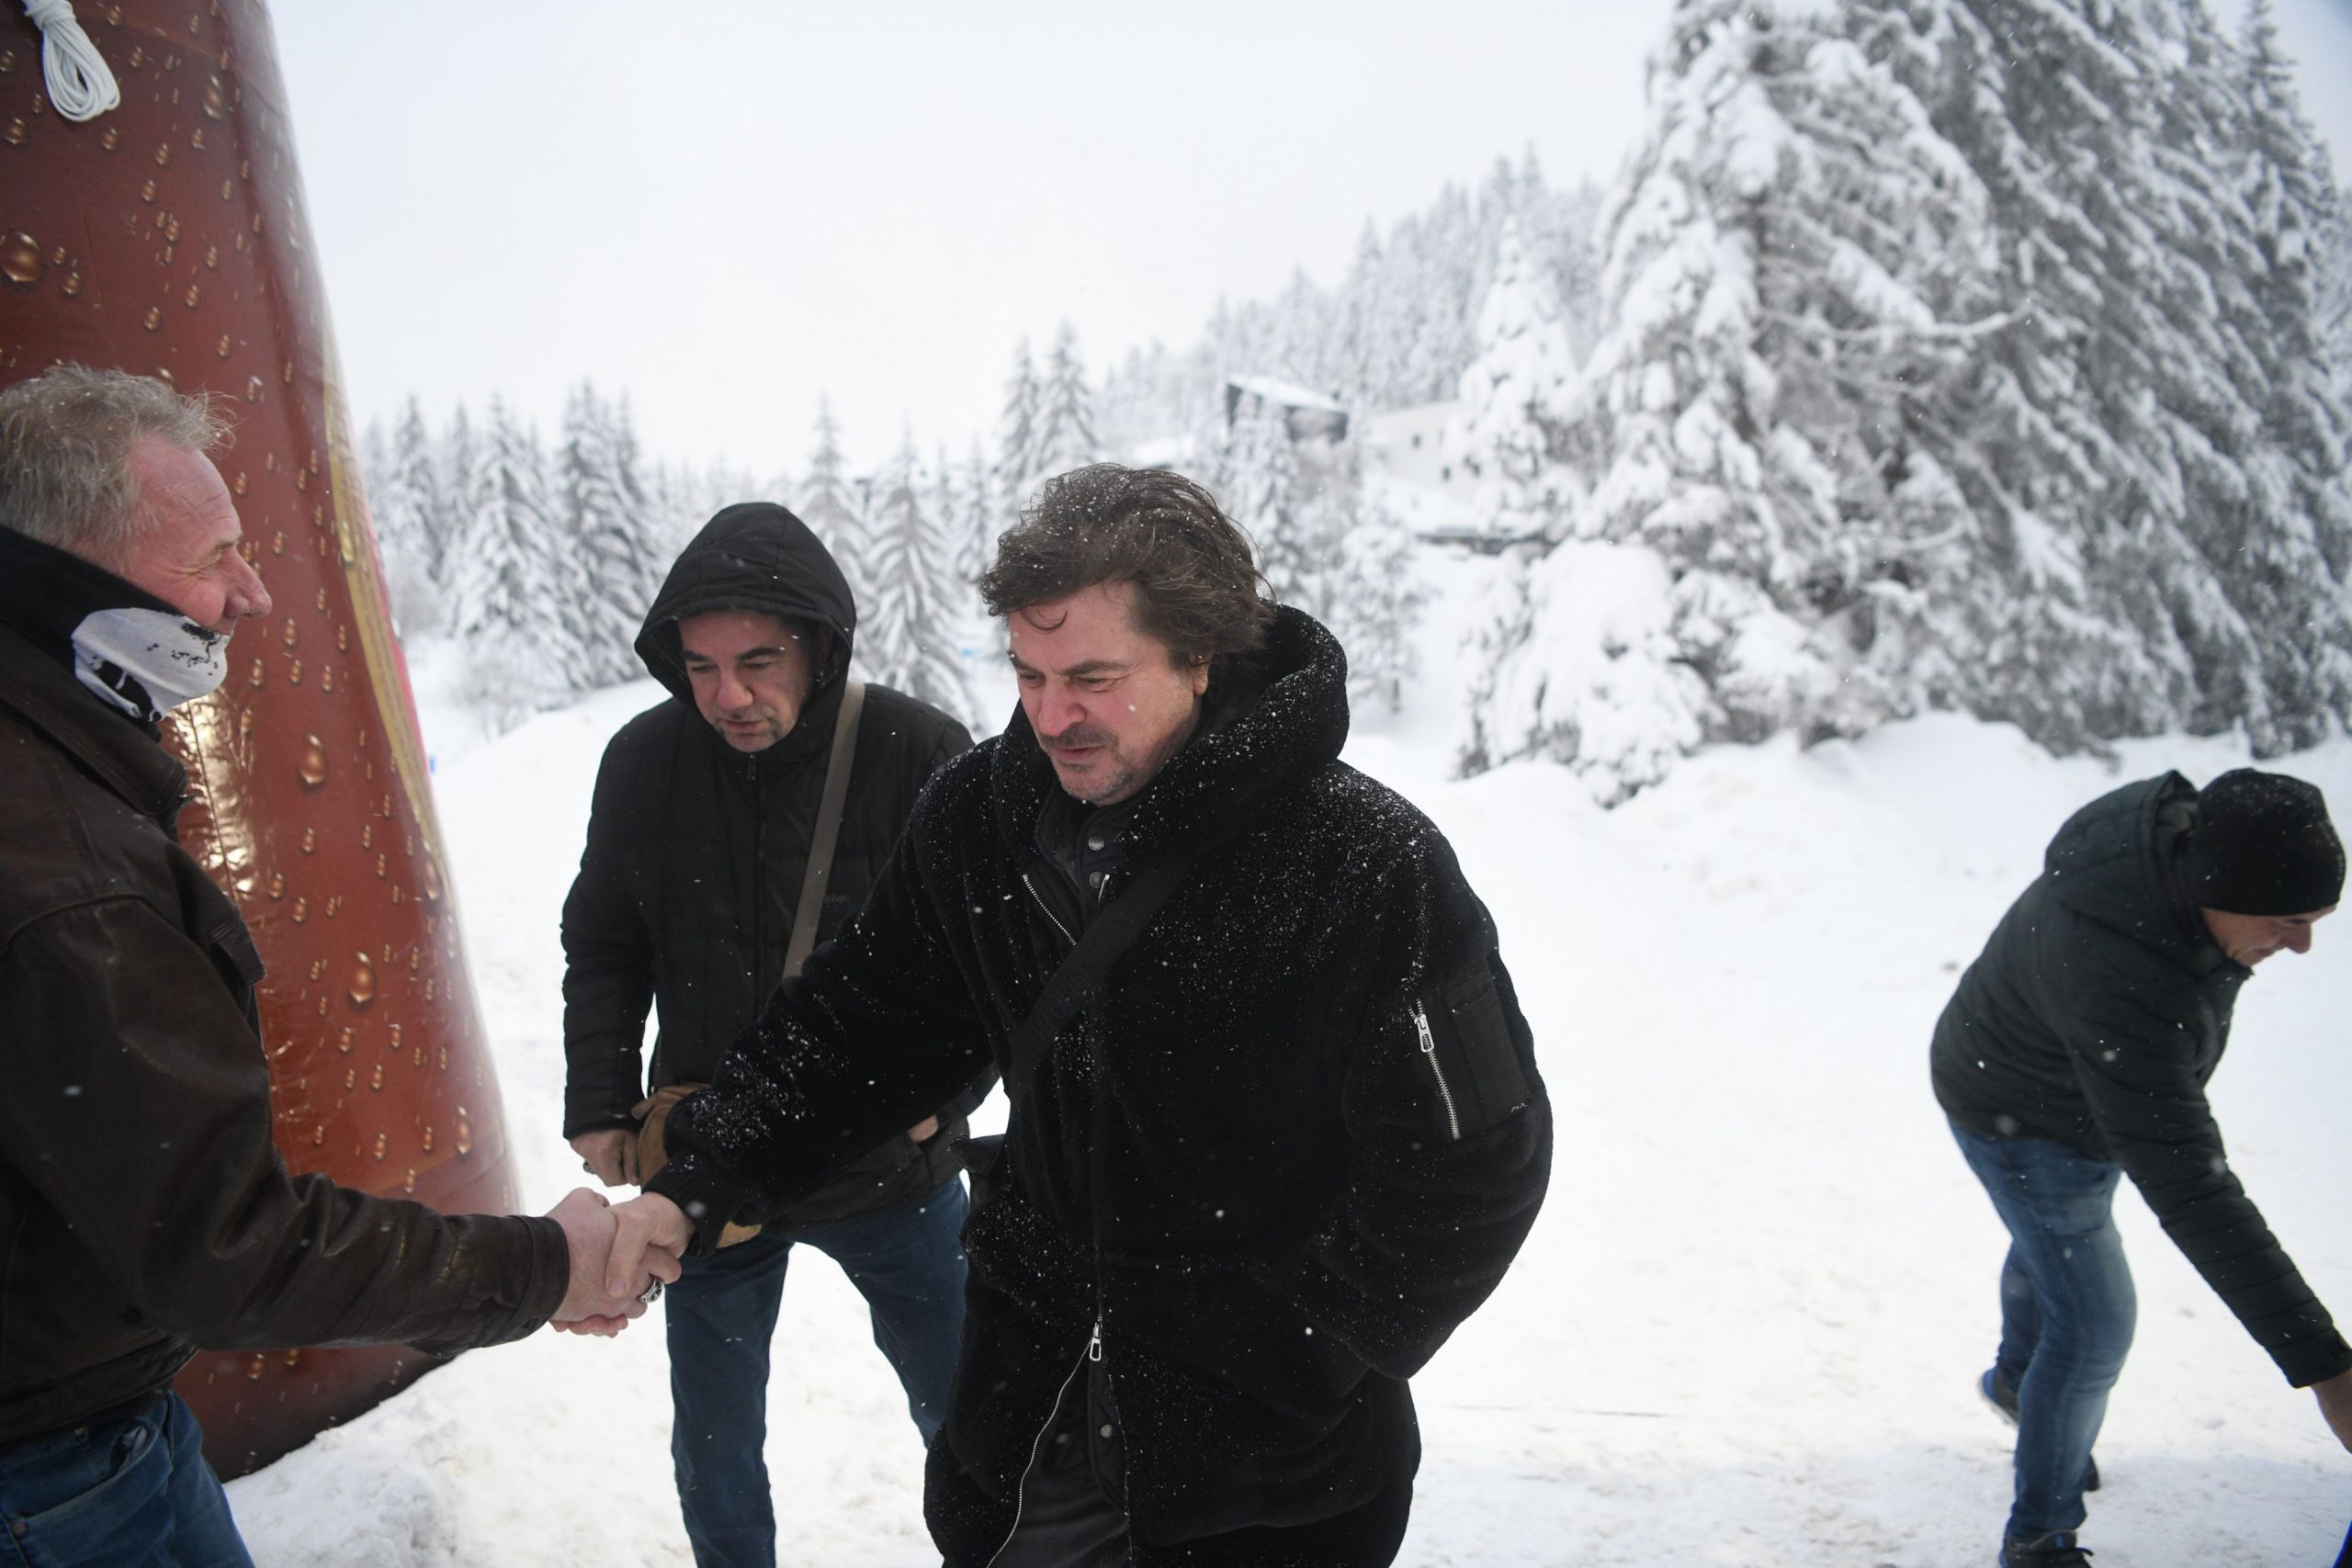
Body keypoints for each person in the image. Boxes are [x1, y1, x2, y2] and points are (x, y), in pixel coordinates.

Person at [604, 463, 1553, 1567]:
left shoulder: (1358, 862)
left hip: (1273, 1482)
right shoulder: (981, 818)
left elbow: (1476, 1156)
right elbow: (863, 1023)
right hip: (1030, 1436)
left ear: (1198, 656)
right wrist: (700, 1180)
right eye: (1029, 674)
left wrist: (1311, 1347)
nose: (1052, 716)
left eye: (1093, 677)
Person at [0, 365, 671, 1565]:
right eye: (214, 557)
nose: (251, 594)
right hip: (53, 1474)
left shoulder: (57, 779)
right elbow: (231, 1246)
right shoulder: (64, 871)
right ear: (74, 578)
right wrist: (546, 1264)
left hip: (89, 1417)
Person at [560, 501, 987, 1567]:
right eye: (700, 668)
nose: (729, 696)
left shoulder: (917, 749)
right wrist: (601, 1097)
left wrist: (953, 1096)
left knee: (977, 1413)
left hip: (891, 1163)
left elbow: (988, 955)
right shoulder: (643, 762)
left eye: (758, 660)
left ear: (821, 646)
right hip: (706, 1166)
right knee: (715, 1447)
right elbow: (605, 941)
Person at [1932, 767, 2352, 1566]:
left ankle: (2022, 1382)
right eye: (2288, 919)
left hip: (2052, 1082)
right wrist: (2328, 1369)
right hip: (2023, 1111)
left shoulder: (2169, 851)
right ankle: (2041, 1538)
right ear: (2217, 886)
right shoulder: (2125, 974)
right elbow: (2193, 1186)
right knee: (2092, 1324)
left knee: (2050, 1244)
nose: (2302, 944)